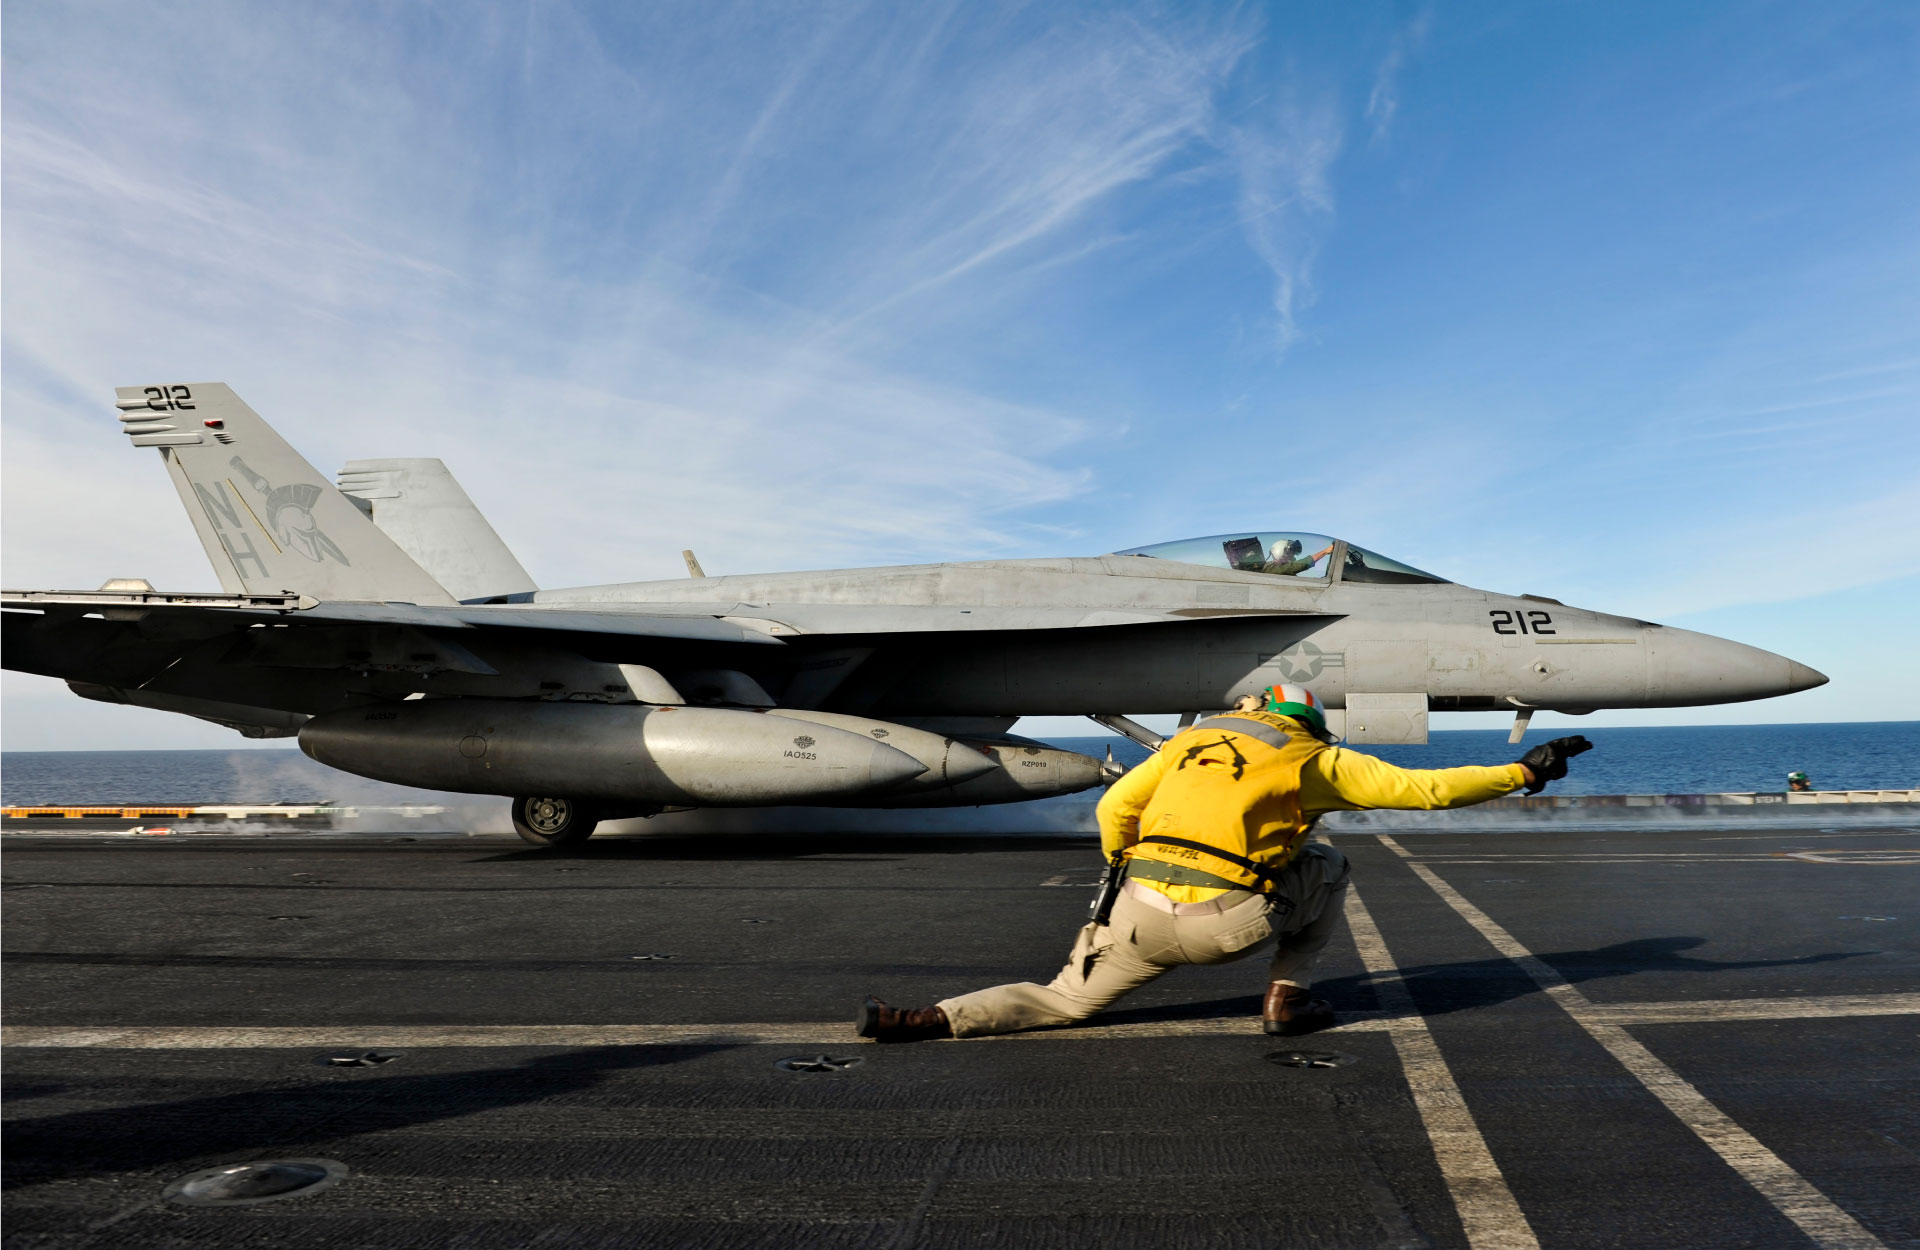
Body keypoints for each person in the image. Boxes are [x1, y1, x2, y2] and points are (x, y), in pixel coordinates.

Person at [858, 685, 1593, 1042]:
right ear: (1305, 720)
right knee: (1329, 863)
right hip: (1228, 928)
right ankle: (1286, 998)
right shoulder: (1312, 754)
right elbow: (1425, 791)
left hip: (1138, 919)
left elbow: (1116, 811)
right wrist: (1523, 775)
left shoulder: (1184, 744)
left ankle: (928, 1019)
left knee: (1065, 1002)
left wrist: (1121, 874)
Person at [1260, 537, 1335, 576]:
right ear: (1281, 553)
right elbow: (1298, 565)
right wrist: (1325, 551)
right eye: (1290, 555)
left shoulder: (1278, 568)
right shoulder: (1272, 568)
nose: (1292, 558)